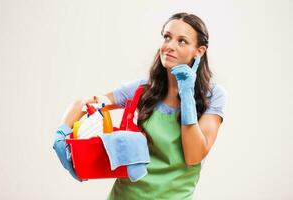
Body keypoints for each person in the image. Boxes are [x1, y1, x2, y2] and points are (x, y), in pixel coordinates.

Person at [53, 12, 227, 200]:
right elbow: (86, 106)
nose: (169, 46)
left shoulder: (213, 96)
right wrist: (61, 134)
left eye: (182, 41)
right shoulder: (142, 90)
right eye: (167, 37)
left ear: (199, 51)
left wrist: (187, 96)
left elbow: (194, 155)